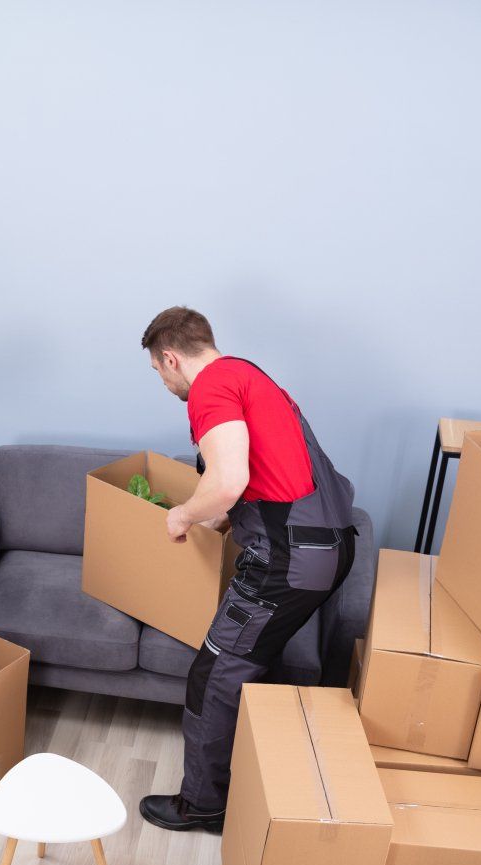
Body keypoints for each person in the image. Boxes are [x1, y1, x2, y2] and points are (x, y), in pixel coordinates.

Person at [135, 307, 359, 833]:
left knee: (214, 675)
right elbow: (265, 477)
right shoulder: (248, 375)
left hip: (289, 562)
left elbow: (229, 478)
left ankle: (205, 807)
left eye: (158, 372)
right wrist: (217, 516)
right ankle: (263, 783)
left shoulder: (210, 389)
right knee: (255, 665)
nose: (164, 382)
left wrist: (182, 516)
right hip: (328, 545)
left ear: (170, 358)